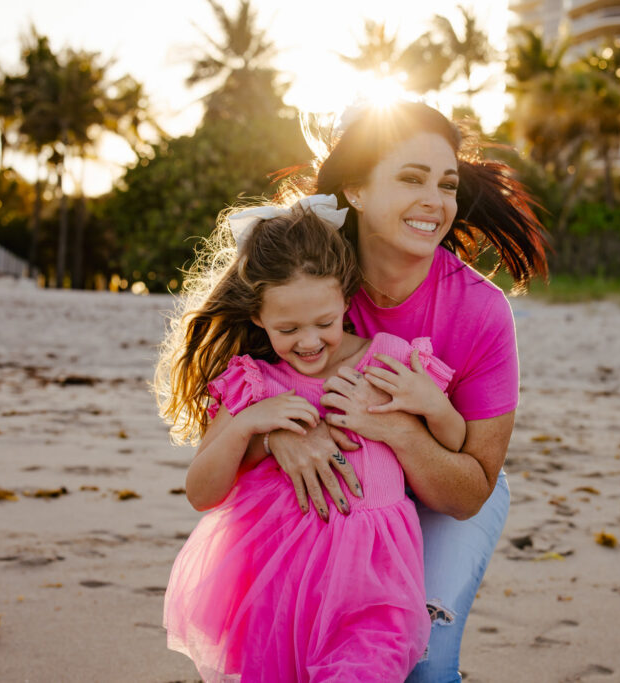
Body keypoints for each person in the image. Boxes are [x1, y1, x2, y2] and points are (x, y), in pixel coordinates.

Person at [262, 101, 549, 682]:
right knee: (300, 650)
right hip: (341, 486)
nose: (436, 201)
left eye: (446, 184)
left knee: (420, 661)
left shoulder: (481, 311)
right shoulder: (302, 273)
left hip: (447, 491)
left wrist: (392, 427)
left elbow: (471, 489)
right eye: (411, 178)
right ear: (358, 190)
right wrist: (276, 435)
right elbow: (221, 381)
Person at [155, 195, 468, 681]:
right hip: (276, 590)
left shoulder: (390, 361)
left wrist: (430, 402)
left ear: (347, 296)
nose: (308, 341)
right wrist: (248, 424)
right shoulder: (252, 384)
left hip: (374, 584)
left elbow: (454, 439)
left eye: (324, 323)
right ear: (257, 317)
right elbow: (201, 492)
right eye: (287, 328)